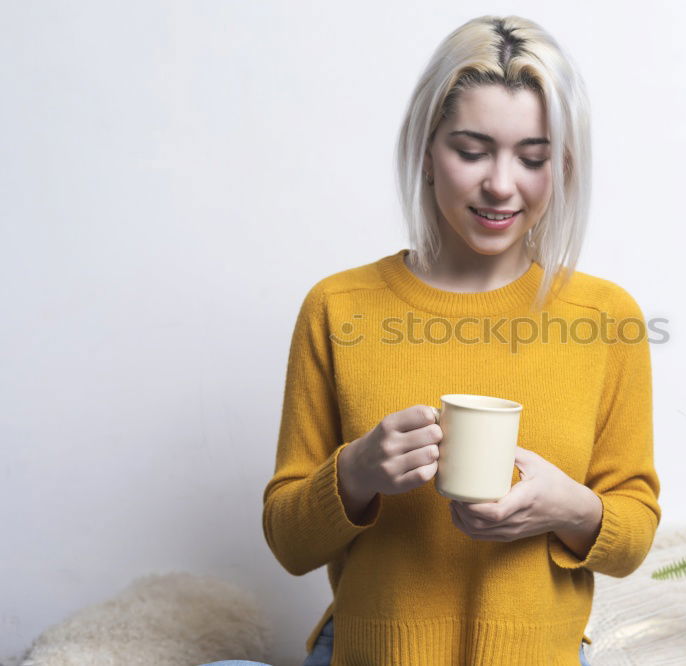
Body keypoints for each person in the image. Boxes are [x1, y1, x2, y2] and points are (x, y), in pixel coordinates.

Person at [261, 14, 660, 666]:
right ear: (425, 150)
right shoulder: (338, 308)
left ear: (561, 167)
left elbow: (635, 533)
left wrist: (572, 508)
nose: (501, 184)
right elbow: (287, 543)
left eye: (532, 158)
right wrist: (356, 472)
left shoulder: (606, 317)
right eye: (471, 151)